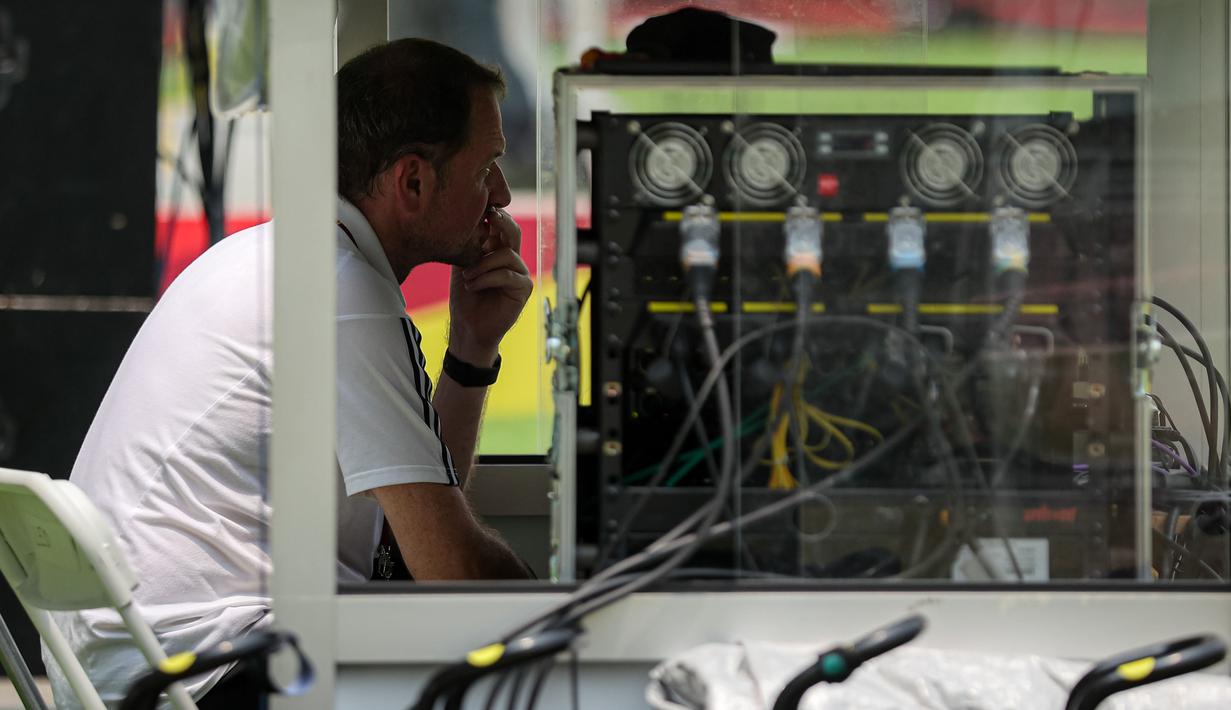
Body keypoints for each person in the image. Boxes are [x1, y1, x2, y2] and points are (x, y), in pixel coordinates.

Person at [45, 38, 532, 708]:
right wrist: (572, 605)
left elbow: (409, 536)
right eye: (487, 169)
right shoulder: (340, 288)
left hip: (144, 673)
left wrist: (472, 349)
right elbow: (452, 571)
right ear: (413, 182)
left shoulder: (284, 256)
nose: (501, 195)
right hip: (202, 680)